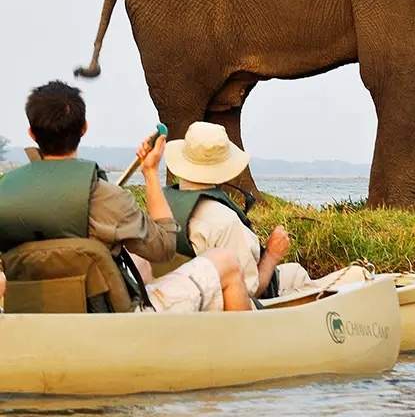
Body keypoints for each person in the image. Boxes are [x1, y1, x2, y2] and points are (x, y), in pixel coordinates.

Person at [0, 80, 252, 313]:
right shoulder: (108, 198)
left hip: (33, 319)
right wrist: (150, 173)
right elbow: (164, 248)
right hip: (113, 321)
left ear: (32, 133)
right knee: (224, 261)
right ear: (84, 129)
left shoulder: (6, 194)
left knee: (138, 263)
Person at [160, 121, 368, 299]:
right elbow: (248, 293)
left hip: (195, 294)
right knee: (359, 275)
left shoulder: (161, 205)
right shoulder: (225, 222)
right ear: (222, 168)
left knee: (295, 272)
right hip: (265, 301)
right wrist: (272, 254)